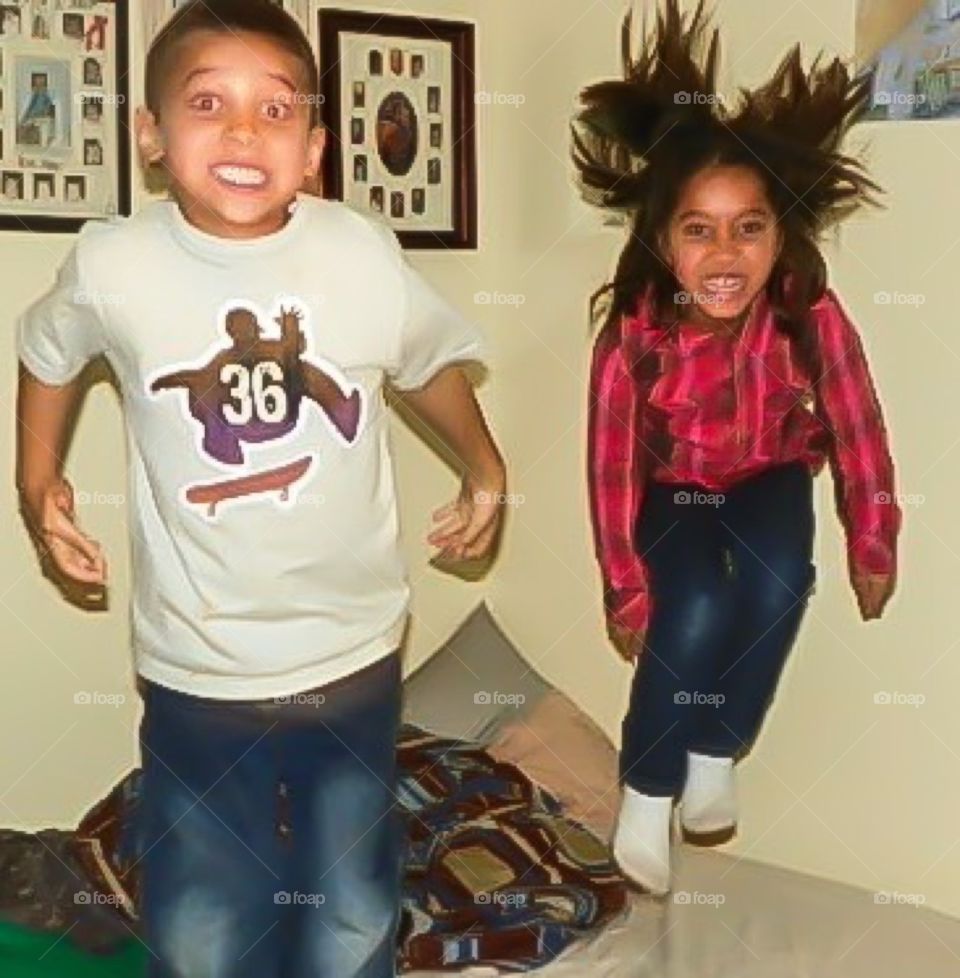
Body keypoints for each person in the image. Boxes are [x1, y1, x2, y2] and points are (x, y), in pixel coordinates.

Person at [14, 1, 506, 975]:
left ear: (316, 147)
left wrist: (485, 466)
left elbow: (428, 365)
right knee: (204, 918)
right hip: (198, 669)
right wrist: (38, 487)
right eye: (209, 103)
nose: (244, 131)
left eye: (275, 110)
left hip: (353, 657)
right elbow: (46, 352)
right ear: (151, 136)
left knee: (353, 904)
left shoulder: (358, 253)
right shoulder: (116, 263)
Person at [573, 0, 900, 896]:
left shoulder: (805, 310)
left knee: (780, 579)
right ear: (663, 241)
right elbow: (607, 464)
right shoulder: (637, 331)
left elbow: (858, 418)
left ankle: (716, 747)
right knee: (696, 612)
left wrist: (874, 534)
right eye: (698, 229)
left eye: (747, 227)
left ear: (781, 234)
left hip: (769, 474)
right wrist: (623, 584)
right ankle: (648, 786)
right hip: (671, 489)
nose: (725, 252)